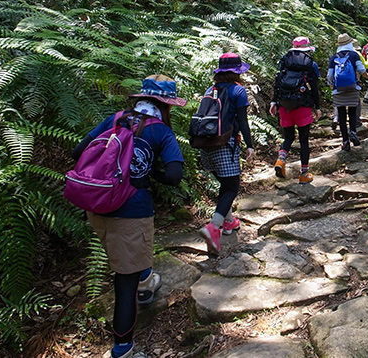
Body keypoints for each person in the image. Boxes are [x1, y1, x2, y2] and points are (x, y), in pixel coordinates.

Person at [71, 75, 186, 358]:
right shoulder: (161, 132)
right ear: (166, 105)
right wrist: (149, 174)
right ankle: (123, 349)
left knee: (130, 258)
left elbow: (78, 151)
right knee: (125, 282)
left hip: (97, 204)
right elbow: (174, 176)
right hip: (131, 212)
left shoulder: (115, 118)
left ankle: (146, 280)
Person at [198, 53, 255, 255]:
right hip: (224, 143)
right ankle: (214, 227)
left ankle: (229, 221)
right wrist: (249, 145)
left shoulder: (210, 90)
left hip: (205, 143)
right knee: (231, 186)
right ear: (237, 72)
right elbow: (242, 121)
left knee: (224, 184)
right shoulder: (238, 91)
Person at [270, 36, 321, 183]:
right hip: (302, 105)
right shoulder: (311, 64)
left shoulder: (284, 61)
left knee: (288, 137)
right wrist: (317, 107)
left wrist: (274, 102)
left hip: (284, 105)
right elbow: (314, 87)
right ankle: (304, 174)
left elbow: (277, 83)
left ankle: (281, 160)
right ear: (307, 49)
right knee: (304, 140)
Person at [328, 33, 368, 151]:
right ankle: (353, 132)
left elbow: (330, 75)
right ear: (349, 43)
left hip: (338, 90)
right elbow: (361, 70)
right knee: (352, 112)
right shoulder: (354, 55)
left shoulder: (334, 57)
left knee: (341, 115)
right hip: (353, 88)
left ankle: (345, 141)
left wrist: (331, 86)